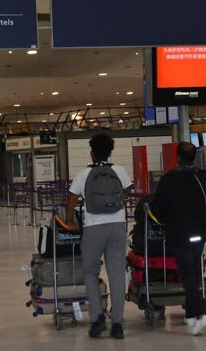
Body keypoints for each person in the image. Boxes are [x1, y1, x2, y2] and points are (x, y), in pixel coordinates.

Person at [65, 133, 132, 339]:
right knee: (117, 274)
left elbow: (71, 200)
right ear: (110, 152)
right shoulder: (119, 170)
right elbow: (127, 193)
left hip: (93, 227)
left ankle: (97, 319)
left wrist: (70, 222)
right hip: (117, 226)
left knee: (90, 273)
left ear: (92, 153)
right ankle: (118, 323)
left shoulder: (84, 173)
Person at [151, 142, 206, 336]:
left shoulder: (169, 179)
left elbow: (157, 209)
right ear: (194, 157)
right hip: (198, 232)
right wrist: (203, 218)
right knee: (195, 272)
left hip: (179, 233)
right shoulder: (202, 177)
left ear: (177, 157)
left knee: (188, 275)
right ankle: (190, 316)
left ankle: (200, 314)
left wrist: (166, 222)